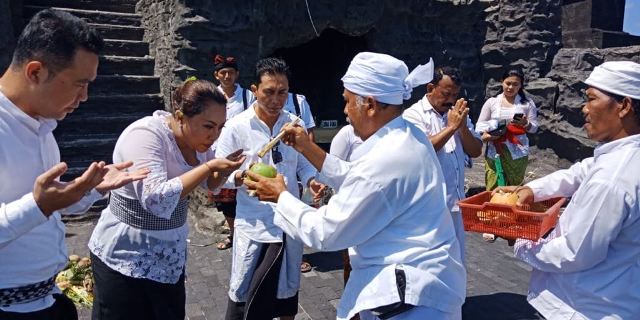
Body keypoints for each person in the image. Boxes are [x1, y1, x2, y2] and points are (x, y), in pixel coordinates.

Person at [245, 52, 466, 320]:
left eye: (348, 102)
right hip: (422, 287)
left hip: (409, 300)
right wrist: (307, 147)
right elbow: (357, 176)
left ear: (370, 104)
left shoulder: (387, 159)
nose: (344, 111)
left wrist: (281, 197)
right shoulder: (407, 135)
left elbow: (326, 232)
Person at [0, 9, 148, 320]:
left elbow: (44, 208)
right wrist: (37, 205)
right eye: (79, 84)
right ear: (36, 72)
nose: (84, 97)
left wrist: (87, 191)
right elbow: (36, 207)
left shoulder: (39, 125)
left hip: (48, 299)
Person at [88, 79, 245, 320]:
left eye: (220, 128)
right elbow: (155, 199)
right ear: (181, 116)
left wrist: (222, 173)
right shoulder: (146, 135)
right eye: (209, 126)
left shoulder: (199, 141)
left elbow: (208, 184)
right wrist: (210, 167)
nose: (215, 135)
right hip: (126, 253)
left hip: (168, 254)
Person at [499, 61, 640, 319]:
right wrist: (531, 189)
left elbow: (574, 253)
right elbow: (581, 171)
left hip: (579, 307)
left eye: (591, 99)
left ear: (624, 106)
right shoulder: (623, 157)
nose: (583, 109)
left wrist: (521, 241)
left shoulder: (612, 180)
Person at [215, 57, 318, 320]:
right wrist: (240, 177)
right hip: (255, 224)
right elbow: (218, 175)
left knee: (286, 292)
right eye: (269, 92)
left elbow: (305, 164)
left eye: (282, 92)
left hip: (288, 220)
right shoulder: (236, 127)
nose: (276, 99)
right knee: (246, 292)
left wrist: (311, 181)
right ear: (254, 91)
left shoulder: (294, 125)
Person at [403, 66, 482, 264]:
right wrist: (451, 127)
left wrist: (462, 128)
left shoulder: (456, 114)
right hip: (428, 205)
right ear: (430, 88)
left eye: (455, 95)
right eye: (446, 94)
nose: (451, 100)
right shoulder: (413, 115)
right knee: (431, 259)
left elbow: (475, 150)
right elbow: (422, 149)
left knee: (456, 259)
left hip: (454, 202)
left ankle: (456, 296)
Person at [212, 54, 254, 250]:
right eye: (223, 73)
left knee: (244, 194)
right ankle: (234, 233)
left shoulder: (248, 96)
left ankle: (248, 233)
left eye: (231, 72)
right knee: (224, 201)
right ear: (216, 75)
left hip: (242, 154)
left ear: (237, 74)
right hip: (217, 152)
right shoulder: (211, 96)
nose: (227, 76)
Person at [475, 68, 538, 190]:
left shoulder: (527, 103)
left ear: (521, 85)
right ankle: (493, 209)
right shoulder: (491, 102)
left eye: (515, 84)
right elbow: (479, 126)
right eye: (508, 83)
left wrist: (526, 123)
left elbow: (534, 128)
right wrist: (495, 127)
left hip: (517, 152)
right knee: (494, 183)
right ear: (502, 82)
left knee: (514, 188)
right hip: (495, 149)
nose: (510, 87)